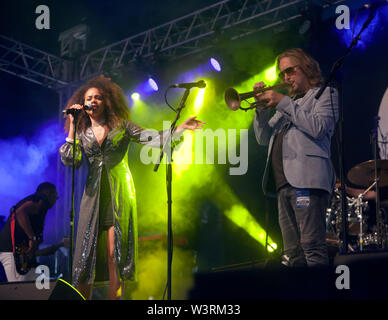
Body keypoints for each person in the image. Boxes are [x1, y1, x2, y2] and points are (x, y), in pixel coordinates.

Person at [59, 75, 204, 300]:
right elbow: (71, 159)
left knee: (115, 253)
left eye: (98, 97)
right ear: (83, 102)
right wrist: (72, 125)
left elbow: (153, 138)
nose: (93, 101)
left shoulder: (122, 126)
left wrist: (180, 129)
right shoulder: (82, 132)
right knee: (84, 254)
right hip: (93, 195)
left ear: (107, 102)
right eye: (89, 98)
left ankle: (116, 298)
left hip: (119, 192)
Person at [253, 48, 338, 267]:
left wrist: (282, 101)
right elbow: (263, 138)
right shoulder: (286, 107)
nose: (285, 78)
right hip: (283, 185)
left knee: (312, 245)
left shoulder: (325, 94)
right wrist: (261, 110)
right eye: (282, 74)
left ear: (306, 68)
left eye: (290, 71)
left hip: (307, 182)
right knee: (292, 253)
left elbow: (318, 127)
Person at [0, 182, 60, 282]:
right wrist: (32, 237)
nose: (55, 200)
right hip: (12, 251)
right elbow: (20, 212)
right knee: (20, 289)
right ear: (48, 193)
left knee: (40, 287)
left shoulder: (38, 202)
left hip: (21, 255)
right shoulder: (41, 199)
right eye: (55, 196)